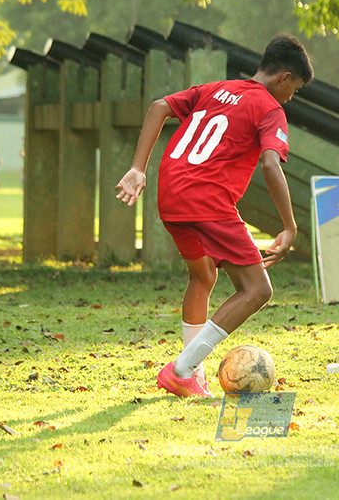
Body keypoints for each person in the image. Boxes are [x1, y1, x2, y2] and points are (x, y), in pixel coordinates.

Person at [115, 34, 313, 398]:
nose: (290, 97)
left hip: (170, 192)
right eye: (295, 89)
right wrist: (289, 225)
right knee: (257, 289)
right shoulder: (271, 109)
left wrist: (138, 168)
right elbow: (271, 163)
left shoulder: (216, 89)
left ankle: (194, 378)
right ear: (284, 78)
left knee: (203, 275)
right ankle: (182, 369)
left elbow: (160, 105)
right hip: (207, 200)